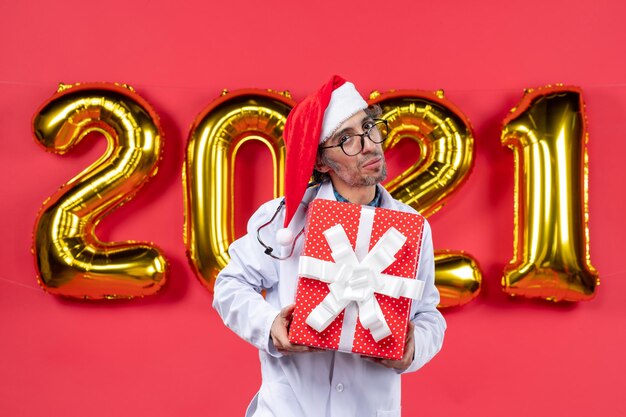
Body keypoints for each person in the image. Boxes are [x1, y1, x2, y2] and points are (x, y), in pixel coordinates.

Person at [213, 75, 446, 417]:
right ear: (321, 161)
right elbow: (229, 286)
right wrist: (270, 326)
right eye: (346, 139)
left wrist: (413, 349)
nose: (368, 144)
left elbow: (428, 315)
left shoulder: (413, 227)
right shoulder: (283, 220)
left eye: (369, 127)